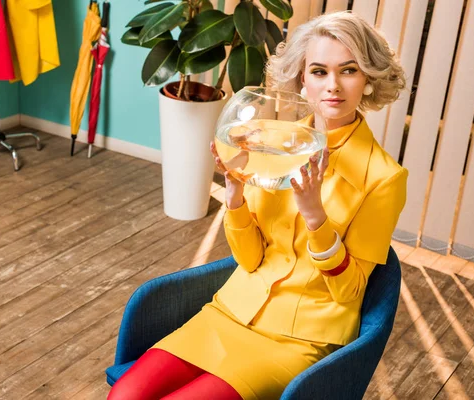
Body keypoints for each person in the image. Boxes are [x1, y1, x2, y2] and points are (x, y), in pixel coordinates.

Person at [108, 11, 407, 400]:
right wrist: (233, 197)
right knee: (124, 395)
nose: (333, 85)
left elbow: (350, 294)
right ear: (302, 77)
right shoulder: (270, 144)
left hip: (298, 338)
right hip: (232, 312)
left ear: (367, 78)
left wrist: (316, 216)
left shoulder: (385, 178)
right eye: (319, 71)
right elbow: (249, 260)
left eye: (348, 70)